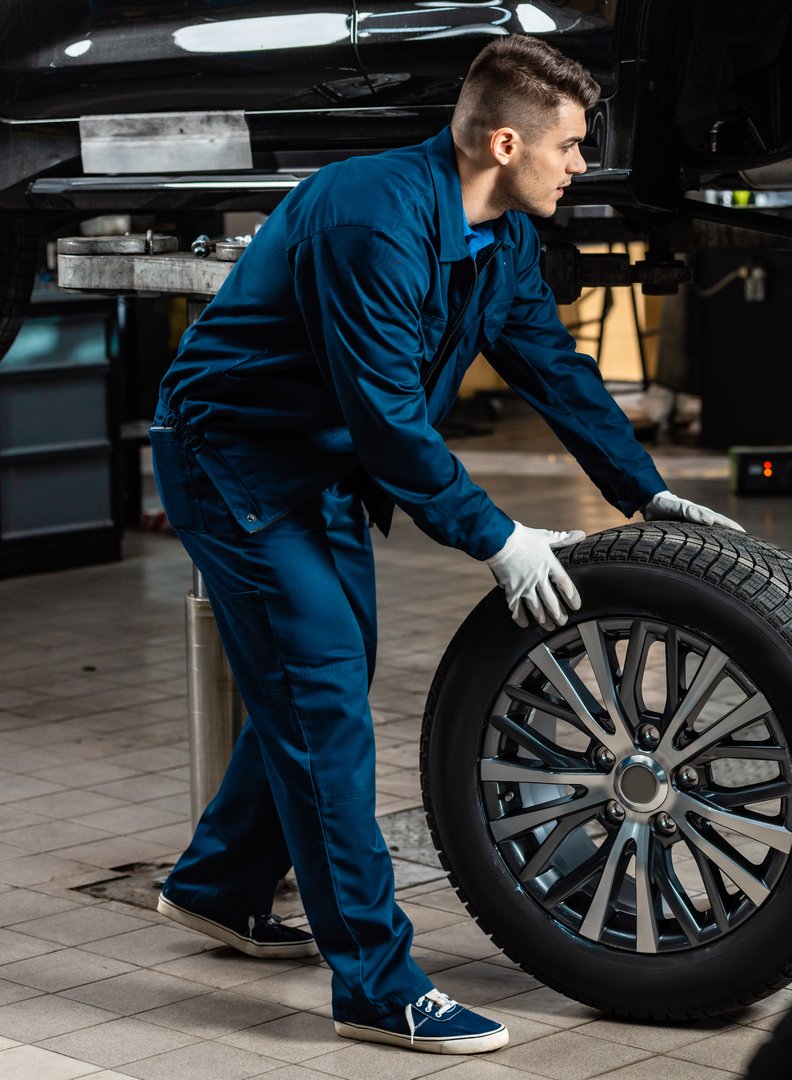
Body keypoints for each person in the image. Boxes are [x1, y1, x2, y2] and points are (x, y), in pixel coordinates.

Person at [147, 36, 740, 1056]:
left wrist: (641, 490)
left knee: (316, 682)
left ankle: (215, 886)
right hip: (236, 464)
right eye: (571, 145)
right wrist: (497, 537)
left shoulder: (499, 233)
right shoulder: (370, 216)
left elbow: (549, 363)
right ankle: (376, 987)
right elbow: (386, 418)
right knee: (322, 700)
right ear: (506, 142)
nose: (580, 163)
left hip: (323, 467)